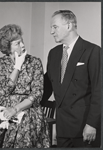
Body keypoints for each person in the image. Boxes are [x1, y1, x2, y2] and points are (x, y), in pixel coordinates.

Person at [42, 10, 101, 147]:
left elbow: (99, 91)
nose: (51, 31)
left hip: (85, 127)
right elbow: (46, 86)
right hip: (62, 127)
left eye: (55, 27)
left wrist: (92, 124)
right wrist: (27, 105)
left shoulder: (93, 51)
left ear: (69, 26)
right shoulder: (54, 53)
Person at [0, 24, 50, 148]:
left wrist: (15, 109)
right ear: (8, 47)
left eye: (22, 41)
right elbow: (4, 90)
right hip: (5, 104)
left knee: (21, 127)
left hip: (27, 106)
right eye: (17, 43)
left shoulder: (35, 62)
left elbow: (37, 93)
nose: (23, 45)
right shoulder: (0, 63)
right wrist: (17, 67)